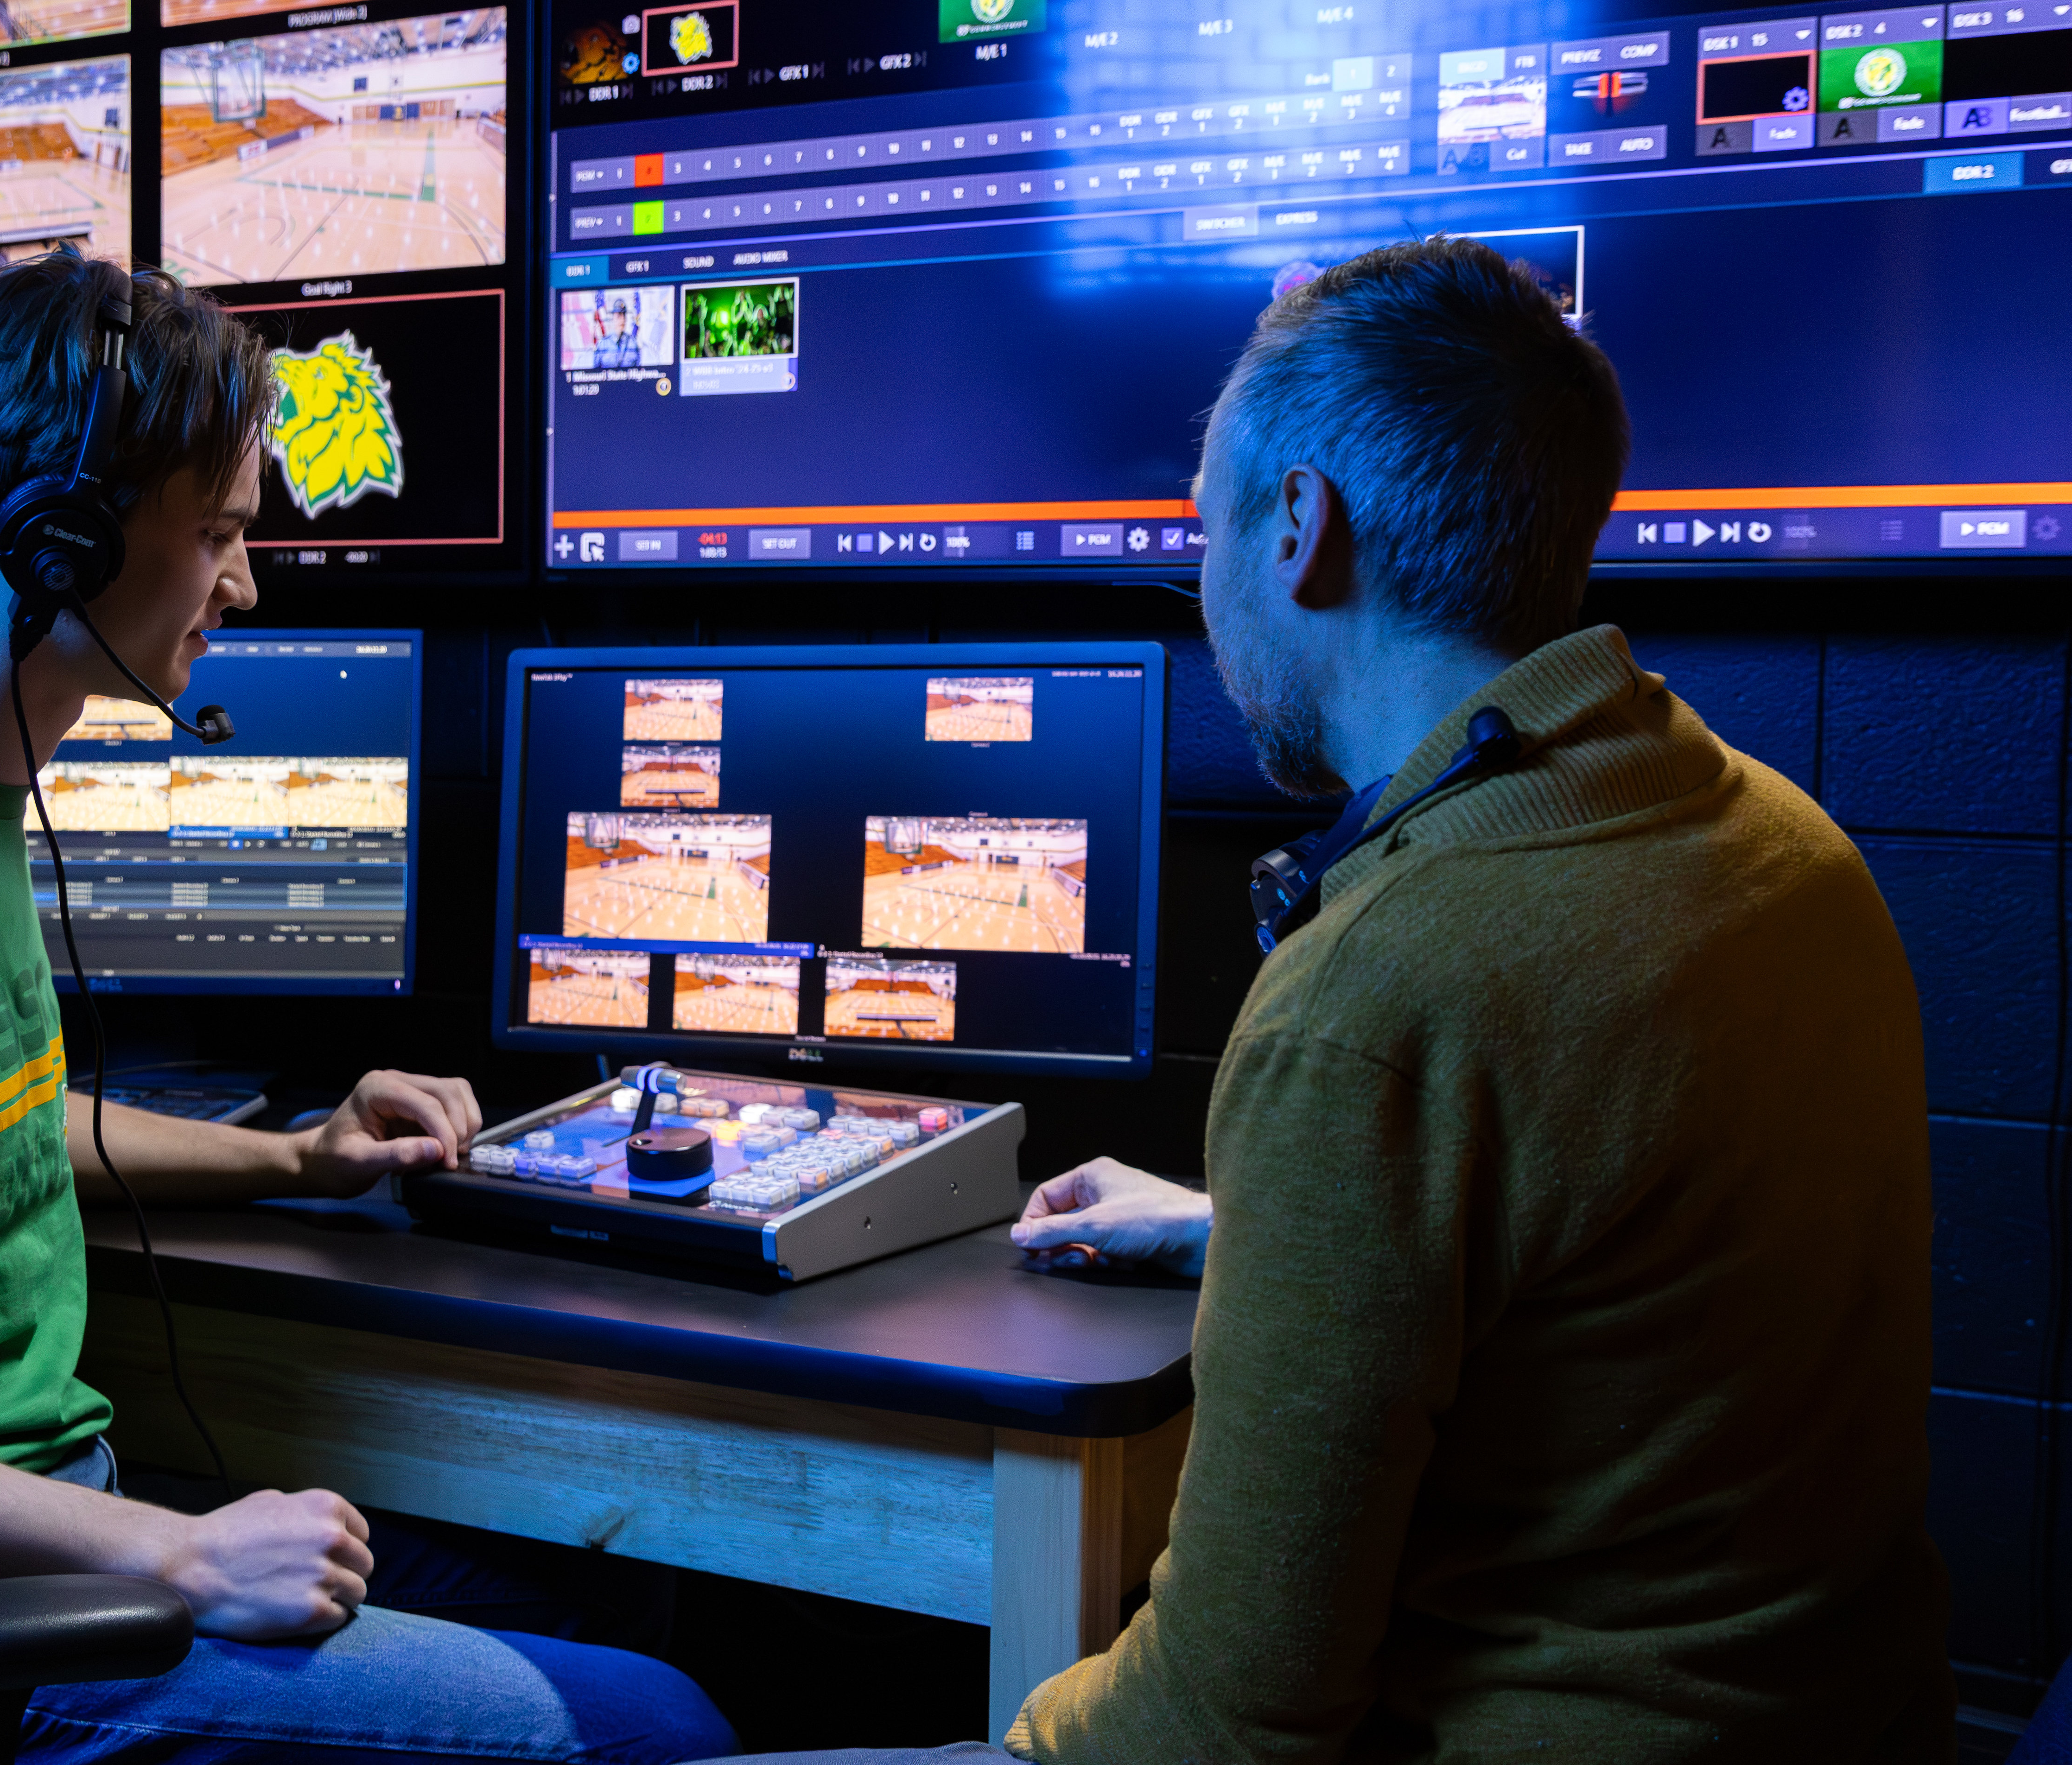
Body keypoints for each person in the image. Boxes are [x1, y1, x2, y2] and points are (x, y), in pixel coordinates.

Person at [706, 237, 1956, 1764]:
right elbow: (1608, 1283)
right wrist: (1252, 1230)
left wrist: (1010, 1734)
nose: (1206, 595)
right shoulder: (1778, 844)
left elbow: (1223, 1731)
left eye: (1205, 534)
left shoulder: (1375, 996)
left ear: (1301, 526)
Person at [0, 249, 736, 1765]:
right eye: (224, 535)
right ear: (62, 547)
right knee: (663, 1731)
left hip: (46, 1543)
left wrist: (299, 1156)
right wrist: (175, 1561)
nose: (245, 583)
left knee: (641, 1618)